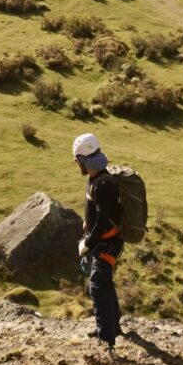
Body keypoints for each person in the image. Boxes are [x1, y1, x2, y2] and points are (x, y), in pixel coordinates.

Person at [73, 132, 124, 350]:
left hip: (107, 243)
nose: (77, 165)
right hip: (104, 241)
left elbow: (103, 222)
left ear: (85, 160)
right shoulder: (96, 178)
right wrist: (87, 225)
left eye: (78, 161)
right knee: (104, 283)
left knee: (97, 286)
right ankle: (113, 327)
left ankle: (106, 341)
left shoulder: (103, 185)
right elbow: (98, 214)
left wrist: (87, 244)